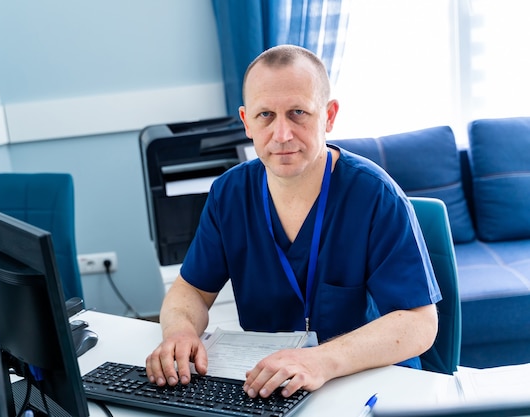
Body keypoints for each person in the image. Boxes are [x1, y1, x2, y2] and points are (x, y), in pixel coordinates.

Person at [145, 44, 440, 399]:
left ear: (329, 116)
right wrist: (180, 332)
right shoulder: (230, 194)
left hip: (366, 385)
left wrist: (320, 361)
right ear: (246, 122)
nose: (282, 134)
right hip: (274, 387)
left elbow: (420, 323)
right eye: (265, 115)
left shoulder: (375, 196)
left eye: (298, 112)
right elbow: (191, 290)